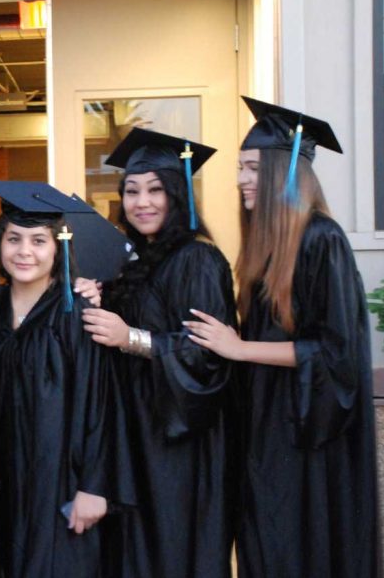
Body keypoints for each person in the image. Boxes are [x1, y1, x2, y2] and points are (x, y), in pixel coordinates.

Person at [184, 97, 378, 578]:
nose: (241, 179)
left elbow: (336, 353)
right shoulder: (265, 251)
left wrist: (239, 346)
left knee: (298, 547)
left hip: (307, 430)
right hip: (269, 428)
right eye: (239, 168)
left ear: (284, 172)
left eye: (252, 167)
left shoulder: (321, 240)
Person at [81, 129, 236, 578]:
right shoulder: (129, 263)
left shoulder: (199, 261)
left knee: (174, 552)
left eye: (155, 190)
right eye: (131, 191)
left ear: (177, 194)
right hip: (136, 438)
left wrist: (132, 338)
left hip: (181, 444)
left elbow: (208, 355)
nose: (142, 202)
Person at [0, 180, 128, 578]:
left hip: (60, 480)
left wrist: (94, 487)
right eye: (14, 239)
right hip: (2, 477)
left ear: (58, 246)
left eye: (38, 241)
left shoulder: (76, 313)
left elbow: (99, 404)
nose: (24, 251)